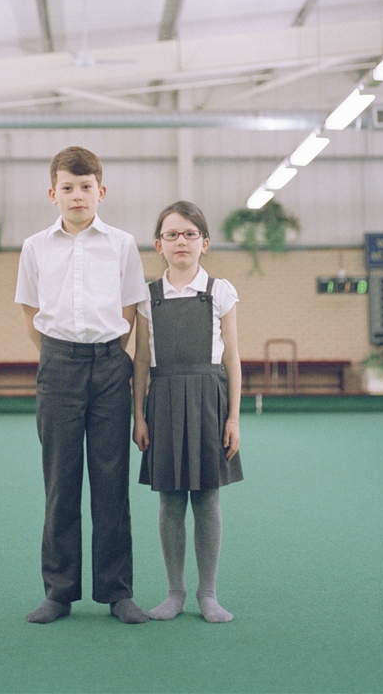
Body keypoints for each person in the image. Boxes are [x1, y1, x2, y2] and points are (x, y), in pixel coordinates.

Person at [15, 146, 150, 624]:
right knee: (61, 483)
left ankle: (117, 592)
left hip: (111, 366)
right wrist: (64, 355)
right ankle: (59, 591)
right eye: (67, 188)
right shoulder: (35, 247)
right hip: (58, 369)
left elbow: (132, 312)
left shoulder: (122, 244)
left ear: (101, 191)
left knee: (112, 485)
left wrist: (102, 353)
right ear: (53, 193)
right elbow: (31, 315)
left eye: (86, 186)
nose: (77, 195)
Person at [133, 200, 243, 623]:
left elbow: (232, 357)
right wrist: (139, 416)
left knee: (207, 500)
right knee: (171, 501)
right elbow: (141, 359)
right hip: (162, 399)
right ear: (158, 245)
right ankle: (175, 591)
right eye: (172, 234)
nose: (181, 241)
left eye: (190, 234)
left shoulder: (221, 291)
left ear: (205, 243)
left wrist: (233, 417)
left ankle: (208, 594)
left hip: (209, 402)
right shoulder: (148, 296)